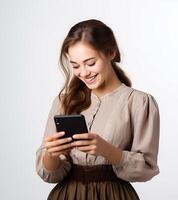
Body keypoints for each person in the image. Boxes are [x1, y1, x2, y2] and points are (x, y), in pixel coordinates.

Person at [36, 19, 160, 200]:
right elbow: (49, 174)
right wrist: (51, 154)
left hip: (114, 195)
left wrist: (107, 150)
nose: (84, 73)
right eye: (75, 66)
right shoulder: (63, 101)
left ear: (111, 52)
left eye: (90, 63)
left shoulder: (139, 102)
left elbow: (147, 168)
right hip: (67, 195)